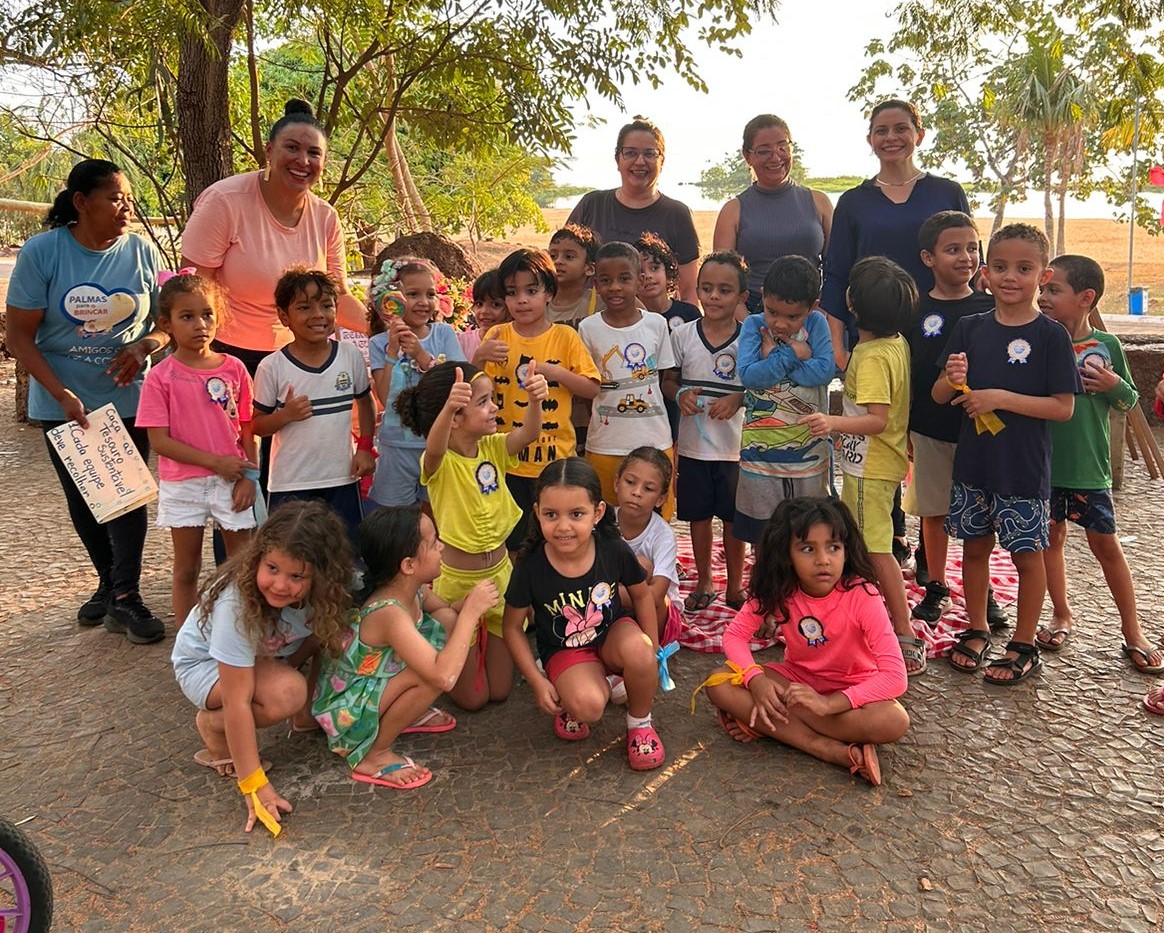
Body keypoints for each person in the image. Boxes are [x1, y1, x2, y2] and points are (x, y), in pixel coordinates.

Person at [6, 158, 168, 643]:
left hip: (129, 396)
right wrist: (61, 393)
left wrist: (144, 347)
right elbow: (18, 336)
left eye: (129, 199)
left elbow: (166, 324)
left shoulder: (140, 252)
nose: (127, 207)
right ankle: (110, 583)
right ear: (81, 202)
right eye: (116, 197)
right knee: (86, 497)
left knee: (126, 492)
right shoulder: (43, 253)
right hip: (63, 398)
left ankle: (125, 597)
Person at [933, 224, 1079, 684]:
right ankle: (976, 628)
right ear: (985, 272)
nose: (1009, 277)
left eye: (1023, 268)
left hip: (1023, 469)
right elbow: (940, 395)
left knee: (1026, 555)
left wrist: (999, 397)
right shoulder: (969, 327)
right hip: (974, 467)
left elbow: (1063, 407)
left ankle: (1023, 642)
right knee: (974, 550)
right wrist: (952, 377)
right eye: (999, 267)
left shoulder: (1051, 335)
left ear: (1044, 274)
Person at [170, 500, 354, 833]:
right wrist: (254, 784)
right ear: (258, 558)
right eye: (271, 568)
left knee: (332, 629)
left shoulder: (328, 591)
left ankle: (301, 708)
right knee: (287, 693)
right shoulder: (236, 604)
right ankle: (214, 726)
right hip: (204, 667)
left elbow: (324, 633)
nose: (280, 584)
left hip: (266, 657)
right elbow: (239, 699)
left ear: (321, 576)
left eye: (296, 576)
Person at [697, 497, 909, 786]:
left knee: (894, 720)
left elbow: (896, 678)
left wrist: (829, 704)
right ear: (786, 554)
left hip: (852, 689)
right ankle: (823, 747)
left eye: (833, 547)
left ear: (846, 551)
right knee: (718, 682)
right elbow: (734, 636)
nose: (823, 560)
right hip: (797, 682)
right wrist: (755, 681)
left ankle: (774, 726)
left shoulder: (863, 594)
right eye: (808, 549)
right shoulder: (780, 587)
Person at [1036, 255, 1163, 673]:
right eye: (1043, 288)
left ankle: (1132, 629)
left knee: (1105, 546)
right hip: (1044, 469)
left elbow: (1128, 403)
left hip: (1089, 471)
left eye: (1053, 289)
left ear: (1085, 297)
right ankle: (1061, 613)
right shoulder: (1037, 340)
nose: (1043, 295)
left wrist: (1115, 384)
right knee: (1050, 542)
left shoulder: (1107, 348)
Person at [396, 360, 548, 709]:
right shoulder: (438, 462)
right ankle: (455, 634)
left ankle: (472, 643)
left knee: (499, 692)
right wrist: (449, 406)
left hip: (499, 577)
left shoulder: (492, 447)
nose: (494, 407)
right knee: (474, 700)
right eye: (483, 402)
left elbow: (528, 434)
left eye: (491, 398)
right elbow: (434, 448)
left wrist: (536, 402)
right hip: (458, 583)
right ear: (455, 418)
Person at [313, 506, 499, 789]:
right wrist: (472, 612)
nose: (442, 546)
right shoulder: (389, 612)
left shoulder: (412, 590)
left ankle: (405, 713)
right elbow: (444, 676)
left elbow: (449, 613)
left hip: (371, 687)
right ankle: (374, 755)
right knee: (429, 676)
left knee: (447, 619)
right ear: (408, 565)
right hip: (346, 714)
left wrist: (471, 603)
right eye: (434, 542)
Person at [502, 457, 665, 770]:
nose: (563, 526)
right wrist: (537, 681)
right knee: (589, 707)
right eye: (551, 514)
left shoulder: (611, 547)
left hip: (611, 634)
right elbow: (512, 627)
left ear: (598, 512)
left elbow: (642, 595)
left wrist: (653, 646)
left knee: (641, 653)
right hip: (564, 650)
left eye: (576, 514)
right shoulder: (530, 565)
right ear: (537, 513)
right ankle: (575, 687)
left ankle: (640, 724)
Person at [181, 99, 367, 373]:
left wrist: (384, 326)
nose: (302, 161)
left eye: (314, 153)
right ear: (269, 151)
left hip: (301, 356)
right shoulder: (225, 201)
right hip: (227, 357)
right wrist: (197, 361)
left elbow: (337, 296)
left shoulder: (326, 217)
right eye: (291, 148)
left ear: (324, 163)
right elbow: (192, 291)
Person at [800, 257, 918, 674]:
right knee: (865, 543)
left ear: (853, 304)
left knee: (874, 548)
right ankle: (863, 614)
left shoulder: (870, 357)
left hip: (869, 467)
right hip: (873, 463)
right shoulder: (895, 343)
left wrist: (832, 423)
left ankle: (902, 635)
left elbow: (877, 418)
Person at [136, 273, 258, 626]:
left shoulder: (234, 369)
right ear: (166, 324)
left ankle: (241, 634)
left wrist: (249, 476)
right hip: (184, 485)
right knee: (186, 570)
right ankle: (188, 645)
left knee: (242, 568)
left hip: (233, 482)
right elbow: (160, 441)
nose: (200, 325)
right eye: (187, 317)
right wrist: (215, 462)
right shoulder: (161, 378)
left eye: (207, 315)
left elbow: (248, 427)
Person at [820, 100, 973, 369]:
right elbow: (837, 276)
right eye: (881, 131)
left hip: (941, 330)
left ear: (919, 135)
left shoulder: (947, 192)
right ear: (870, 139)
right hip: (872, 337)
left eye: (901, 128)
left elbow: (971, 263)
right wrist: (837, 349)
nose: (891, 138)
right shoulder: (852, 202)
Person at [902, 211, 995, 624]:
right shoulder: (914, 308)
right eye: (952, 249)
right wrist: (903, 427)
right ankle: (936, 585)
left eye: (972, 248)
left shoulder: (992, 307)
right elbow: (904, 371)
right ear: (928, 257)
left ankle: (983, 589)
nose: (965, 257)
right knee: (934, 511)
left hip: (983, 431)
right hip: (929, 427)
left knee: (982, 511)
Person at [484, 248, 600, 552]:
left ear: (548, 292)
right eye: (512, 292)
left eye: (531, 290)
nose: (522, 300)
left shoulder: (565, 337)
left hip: (555, 461)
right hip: (506, 461)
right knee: (513, 540)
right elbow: (476, 388)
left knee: (557, 536)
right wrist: (478, 356)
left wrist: (555, 372)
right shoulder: (497, 335)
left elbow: (591, 388)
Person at [251, 269, 374, 542]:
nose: (318, 314)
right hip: (291, 483)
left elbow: (366, 404)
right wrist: (286, 415)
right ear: (284, 317)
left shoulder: (350, 356)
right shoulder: (272, 367)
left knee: (345, 556)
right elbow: (257, 425)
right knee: (294, 554)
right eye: (304, 308)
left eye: (327, 305)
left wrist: (365, 447)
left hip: (342, 479)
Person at [663, 251, 747, 610]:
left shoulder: (750, 341)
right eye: (707, 288)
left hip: (734, 450)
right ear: (696, 290)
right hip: (694, 448)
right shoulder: (682, 336)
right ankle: (705, 580)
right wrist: (680, 393)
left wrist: (738, 398)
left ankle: (735, 584)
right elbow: (667, 380)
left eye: (725, 290)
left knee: (732, 519)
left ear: (741, 297)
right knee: (698, 517)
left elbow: (759, 389)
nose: (714, 297)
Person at [733, 256, 834, 547]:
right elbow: (749, 376)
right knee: (763, 536)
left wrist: (772, 357)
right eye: (772, 312)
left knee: (810, 532)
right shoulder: (753, 325)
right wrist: (794, 353)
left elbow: (824, 372)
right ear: (762, 294)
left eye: (792, 317)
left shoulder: (817, 324)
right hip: (759, 458)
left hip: (809, 456)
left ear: (812, 306)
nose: (779, 323)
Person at [579, 242, 677, 517]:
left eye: (624, 279)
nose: (615, 288)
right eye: (606, 281)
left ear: (640, 280)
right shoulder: (588, 328)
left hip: (655, 442)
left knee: (655, 520)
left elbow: (665, 379)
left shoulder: (656, 324)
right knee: (605, 520)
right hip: (605, 444)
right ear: (596, 283)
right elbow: (590, 388)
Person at [366, 257, 465, 511]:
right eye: (413, 294)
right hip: (396, 446)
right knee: (398, 519)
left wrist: (422, 356)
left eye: (430, 294)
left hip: (440, 443)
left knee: (437, 514)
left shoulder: (444, 334)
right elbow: (385, 394)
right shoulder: (379, 343)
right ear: (391, 300)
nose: (424, 302)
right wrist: (392, 352)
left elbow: (459, 382)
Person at [567, 117, 700, 302]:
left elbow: (689, 290)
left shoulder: (678, 214)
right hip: (592, 322)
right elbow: (563, 269)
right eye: (630, 153)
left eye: (650, 153)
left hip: (657, 326)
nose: (640, 161)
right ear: (617, 159)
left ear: (662, 161)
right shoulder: (592, 204)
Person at [712, 114, 834, 314]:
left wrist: (821, 316)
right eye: (764, 151)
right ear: (747, 156)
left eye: (782, 147)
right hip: (753, 316)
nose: (776, 157)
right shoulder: (733, 210)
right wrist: (752, 326)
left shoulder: (819, 202)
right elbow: (723, 280)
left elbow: (836, 270)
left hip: (813, 313)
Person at [636, 232, 701, 442]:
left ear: (669, 271)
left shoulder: (689, 314)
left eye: (655, 268)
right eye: (639, 272)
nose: (647, 276)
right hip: (644, 404)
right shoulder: (632, 320)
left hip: (683, 403)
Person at [614, 447, 682, 645]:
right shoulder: (602, 521)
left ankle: (652, 649)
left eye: (648, 488)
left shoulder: (663, 536)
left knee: (643, 566)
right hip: (611, 606)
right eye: (630, 482)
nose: (636, 493)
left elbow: (655, 596)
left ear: (661, 499)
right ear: (617, 483)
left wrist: (599, 593)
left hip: (660, 616)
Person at [547, 224, 604, 328]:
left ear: (590, 269)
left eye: (569, 257)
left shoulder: (601, 304)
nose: (558, 261)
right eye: (553, 256)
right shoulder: (539, 302)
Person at [458, 269, 509, 364]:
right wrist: (479, 356)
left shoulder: (518, 341)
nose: (484, 311)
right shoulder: (461, 342)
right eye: (479, 304)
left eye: (495, 304)